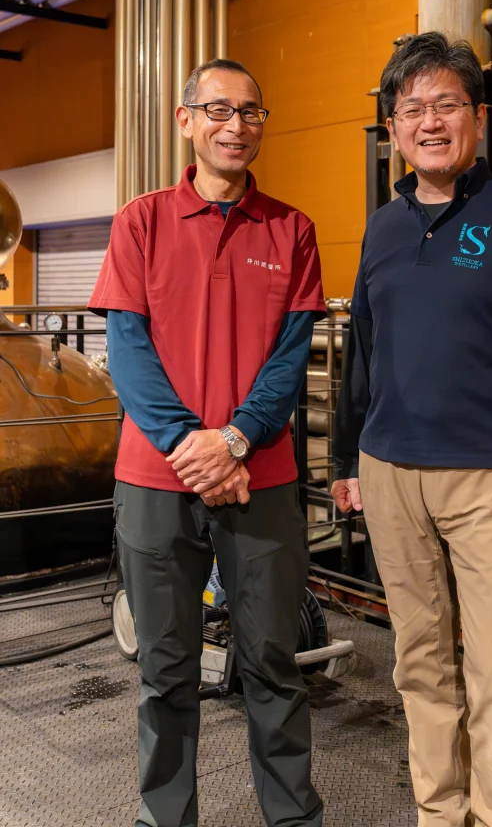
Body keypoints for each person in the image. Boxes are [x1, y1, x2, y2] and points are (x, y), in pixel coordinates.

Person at [331, 33, 492, 827]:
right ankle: (439, 813)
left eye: (446, 105)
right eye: (412, 109)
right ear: (393, 129)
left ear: (476, 117)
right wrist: (344, 459)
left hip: (489, 478)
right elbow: (361, 352)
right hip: (388, 472)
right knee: (419, 661)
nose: (429, 122)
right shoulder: (381, 227)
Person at [90, 58, 326, 827]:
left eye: (251, 111)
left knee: (273, 666)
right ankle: (165, 819)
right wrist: (191, 447)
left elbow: (289, 358)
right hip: (155, 481)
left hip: (261, 478)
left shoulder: (291, 229)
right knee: (165, 673)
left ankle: (292, 819)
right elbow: (127, 350)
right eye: (219, 109)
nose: (237, 125)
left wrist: (234, 440)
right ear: (186, 120)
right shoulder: (141, 222)